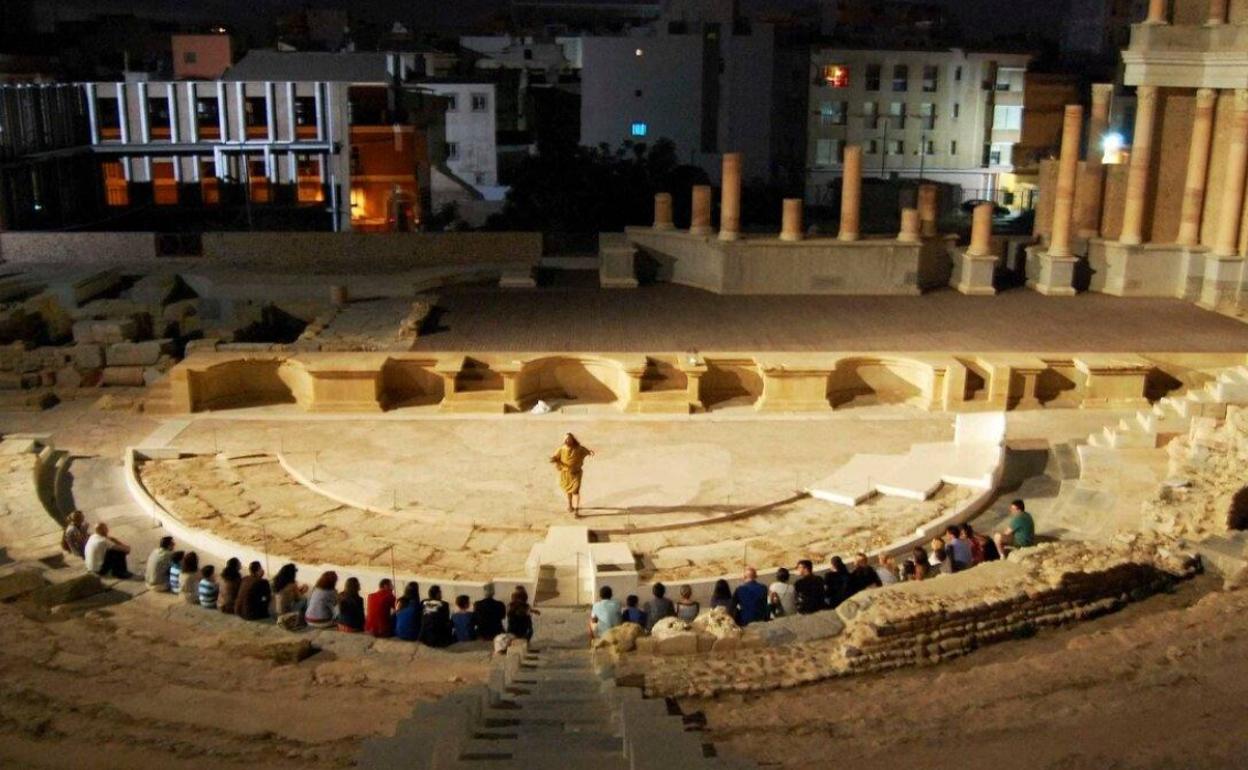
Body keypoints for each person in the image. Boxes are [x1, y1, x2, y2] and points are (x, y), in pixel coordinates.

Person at [550, 432, 595, 513]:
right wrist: (553, 459)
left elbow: (587, 451)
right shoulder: (562, 449)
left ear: (572, 440)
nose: (567, 441)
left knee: (576, 491)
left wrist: (590, 453)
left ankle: (576, 510)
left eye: (568, 439)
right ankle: (570, 505)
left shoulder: (579, 448)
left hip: (576, 473)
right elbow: (555, 457)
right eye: (565, 439)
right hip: (566, 474)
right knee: (569, 492)